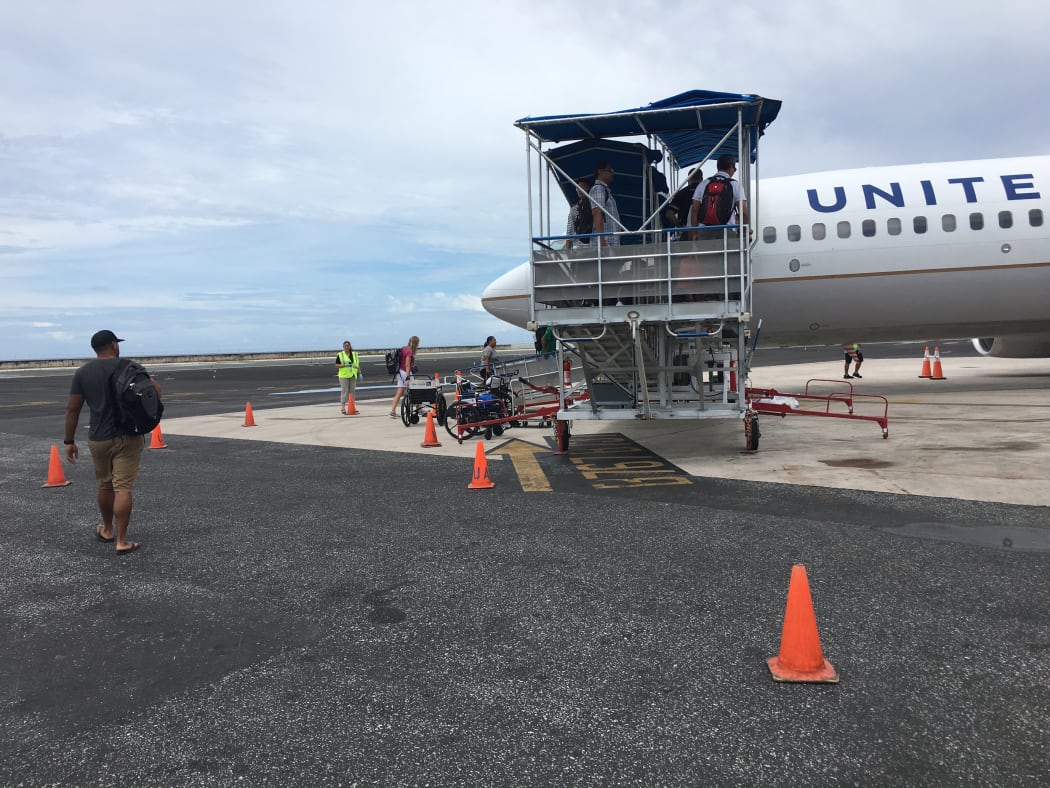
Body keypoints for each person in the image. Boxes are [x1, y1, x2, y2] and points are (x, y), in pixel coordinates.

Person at [63, 330, 161, 555]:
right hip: (129, 435)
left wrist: (69, 440)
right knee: (123, 487)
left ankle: (107, 530)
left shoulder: (82, 373)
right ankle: (122, 540)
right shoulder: (131, 367)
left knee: (105, 485)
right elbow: (156, 392)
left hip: (99, 437)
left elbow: (72, 410)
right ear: (114, 345)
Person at [689, 154, 749, 241]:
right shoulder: (735, 185)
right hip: (727, 232)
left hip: (705, 232)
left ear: (718, 167)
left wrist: (694, 233)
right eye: (734, 169)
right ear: (731, 167)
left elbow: (694, 210)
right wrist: (742, 231)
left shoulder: (703, 184)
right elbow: (744, 213)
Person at [590, 162, 622, 248]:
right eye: (610, 171)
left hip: (610, 241)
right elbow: (597, 212)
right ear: (600, 172)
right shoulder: (598, 189)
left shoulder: (605, 190)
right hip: (606, 242)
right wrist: (601, 239)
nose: (612, 173)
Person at [665, 167, 704, 235]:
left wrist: (680, 227)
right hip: (704, 231)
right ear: (702, 179)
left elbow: (669, 214)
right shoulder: (707, 192)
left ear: (688, 179)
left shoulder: (681, 193)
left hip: (686, 231)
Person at [389, 335, 420, 418]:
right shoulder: (409, 352)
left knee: (399, 392)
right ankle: (418, 408)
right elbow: (407, 365)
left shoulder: (404, 348)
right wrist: (408, 376)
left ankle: (393, 411)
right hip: (405, 372)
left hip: (399, 372)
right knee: (415, 390)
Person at [565, 178, 592, 250]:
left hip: (595, 246)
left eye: (582, 187)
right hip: (579, 248)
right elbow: (569, 232)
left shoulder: (595, 206)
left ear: (588, 188)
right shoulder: (574, 209)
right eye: (577, 188)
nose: (579, 190)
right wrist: (568, 252)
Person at [336, 340, 361, 414]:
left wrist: (360, 373)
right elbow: (337, 365)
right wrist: (344, 365)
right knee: (344, 391)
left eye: (348, 345)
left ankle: (352, 407)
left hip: (353, 375)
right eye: (345, 346)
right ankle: (343, 408)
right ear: (343, 347)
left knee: (352, 391)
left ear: (350, 346)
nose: (347, 347)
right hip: (344, 375)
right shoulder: (340, 355)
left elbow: (357, 364)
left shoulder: (354, 354)